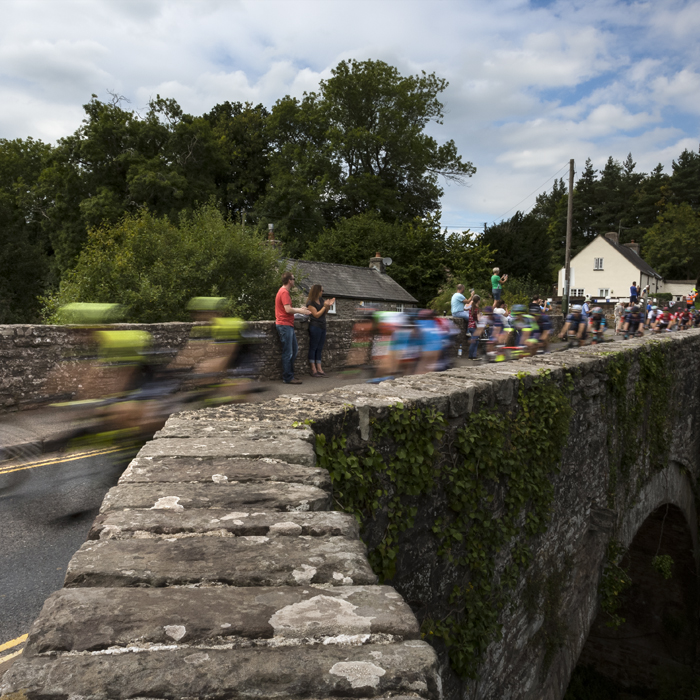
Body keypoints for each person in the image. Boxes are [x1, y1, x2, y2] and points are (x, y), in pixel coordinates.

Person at [275, 272, 311, 384]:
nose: (294, 281)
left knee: (294, 350)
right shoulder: (284, 292)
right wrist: (301, 310)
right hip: (284, 325)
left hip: (287, 325)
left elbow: (288, 309)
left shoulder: (283, 291)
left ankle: (290, 375)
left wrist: (299, 309)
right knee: (288, 352)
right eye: (293, 279)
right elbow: (288, 310)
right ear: (290, 280)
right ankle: (288, 377)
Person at [306, 284, 335, 377]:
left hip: (322, 325)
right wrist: (324, 306)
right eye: (321, 290)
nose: (322, 292)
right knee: (313, 347)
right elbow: (317, 315)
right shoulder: (310, 303)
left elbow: (324, 313)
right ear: (317, 291)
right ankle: (313, 369)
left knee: (320, 347)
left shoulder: (321, 300)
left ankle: (319, 368)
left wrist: (328, 306)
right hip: (315, 326)